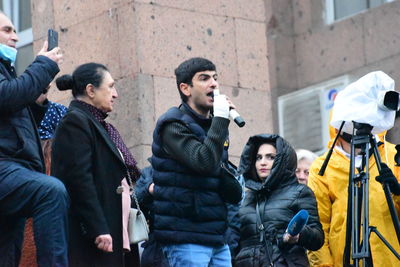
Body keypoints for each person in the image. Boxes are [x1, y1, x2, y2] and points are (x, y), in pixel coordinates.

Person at [151, 57, 242, 266]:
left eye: (215, 78)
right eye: (204, 78)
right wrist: (220, 120)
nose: (214, 84)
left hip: (216, 234)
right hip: (186, 236)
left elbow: (216, 171)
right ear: (186, 88)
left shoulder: (212, 125)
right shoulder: (172, 124)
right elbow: (204, 162)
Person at [51, 63, 141, 266]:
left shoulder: (98, 124)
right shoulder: (75, 121)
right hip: (96, 237)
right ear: (91, 90)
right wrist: (98, 227)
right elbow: (79, 179)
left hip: (114, 232)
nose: (116, 94)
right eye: (110, 87)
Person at [0, 11, 68, 267]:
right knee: (50, 191)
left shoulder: (6, 71)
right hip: (5, 168)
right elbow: (7, 97)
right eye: (7, 30)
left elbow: (14, 117)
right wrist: (43, 65)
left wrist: (36, 99)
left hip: (13, 170)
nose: (15, 37)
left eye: (16, 30)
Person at [307, 129, 400, 266]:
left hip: (390, 258)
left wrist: (397, 192)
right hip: (345, 260)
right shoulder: (323, 166)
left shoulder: (392, 155)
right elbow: (318, 226)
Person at [234, 134, 324, 267]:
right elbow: (234, 241)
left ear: (282, 160)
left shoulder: (299, 192)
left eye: (270, 157)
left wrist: (298, 235)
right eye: (258, 158)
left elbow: (317, 238)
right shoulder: (246, 198)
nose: (263, 162)